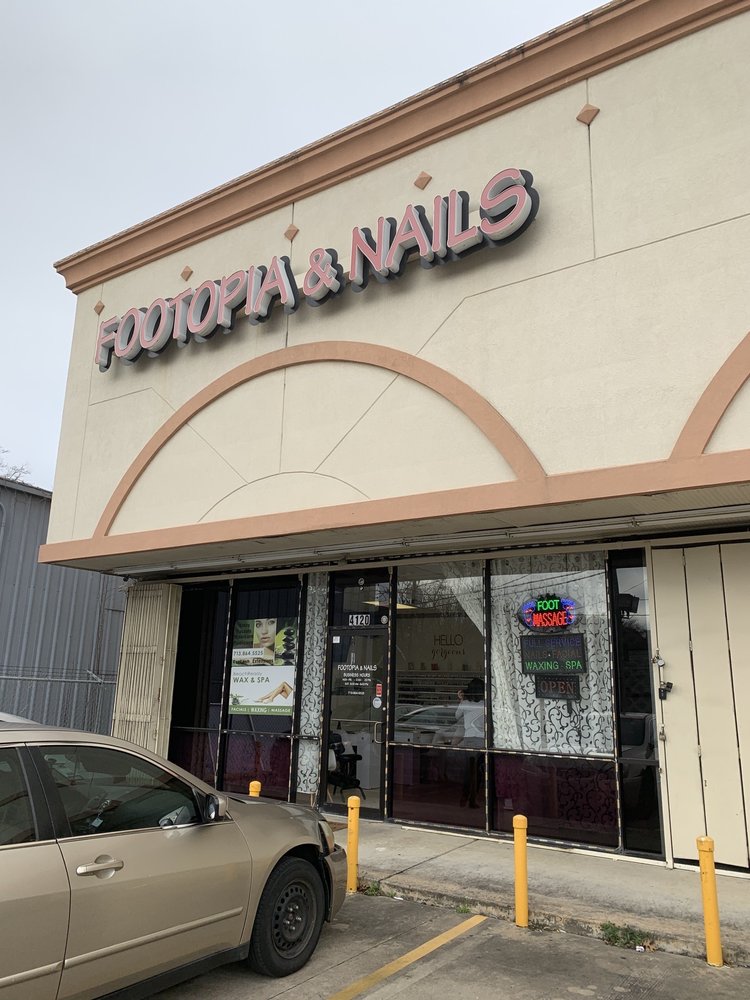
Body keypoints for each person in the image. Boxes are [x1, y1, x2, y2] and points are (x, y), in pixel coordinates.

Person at [454, 677, 484, 807]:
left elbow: (457, 716)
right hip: (481, 739)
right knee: (478, 771)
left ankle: (464, 796)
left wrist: (461, 700)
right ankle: (473, 799)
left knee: (469, 770)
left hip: (469, 738)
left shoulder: (465, 703)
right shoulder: (485, 704)